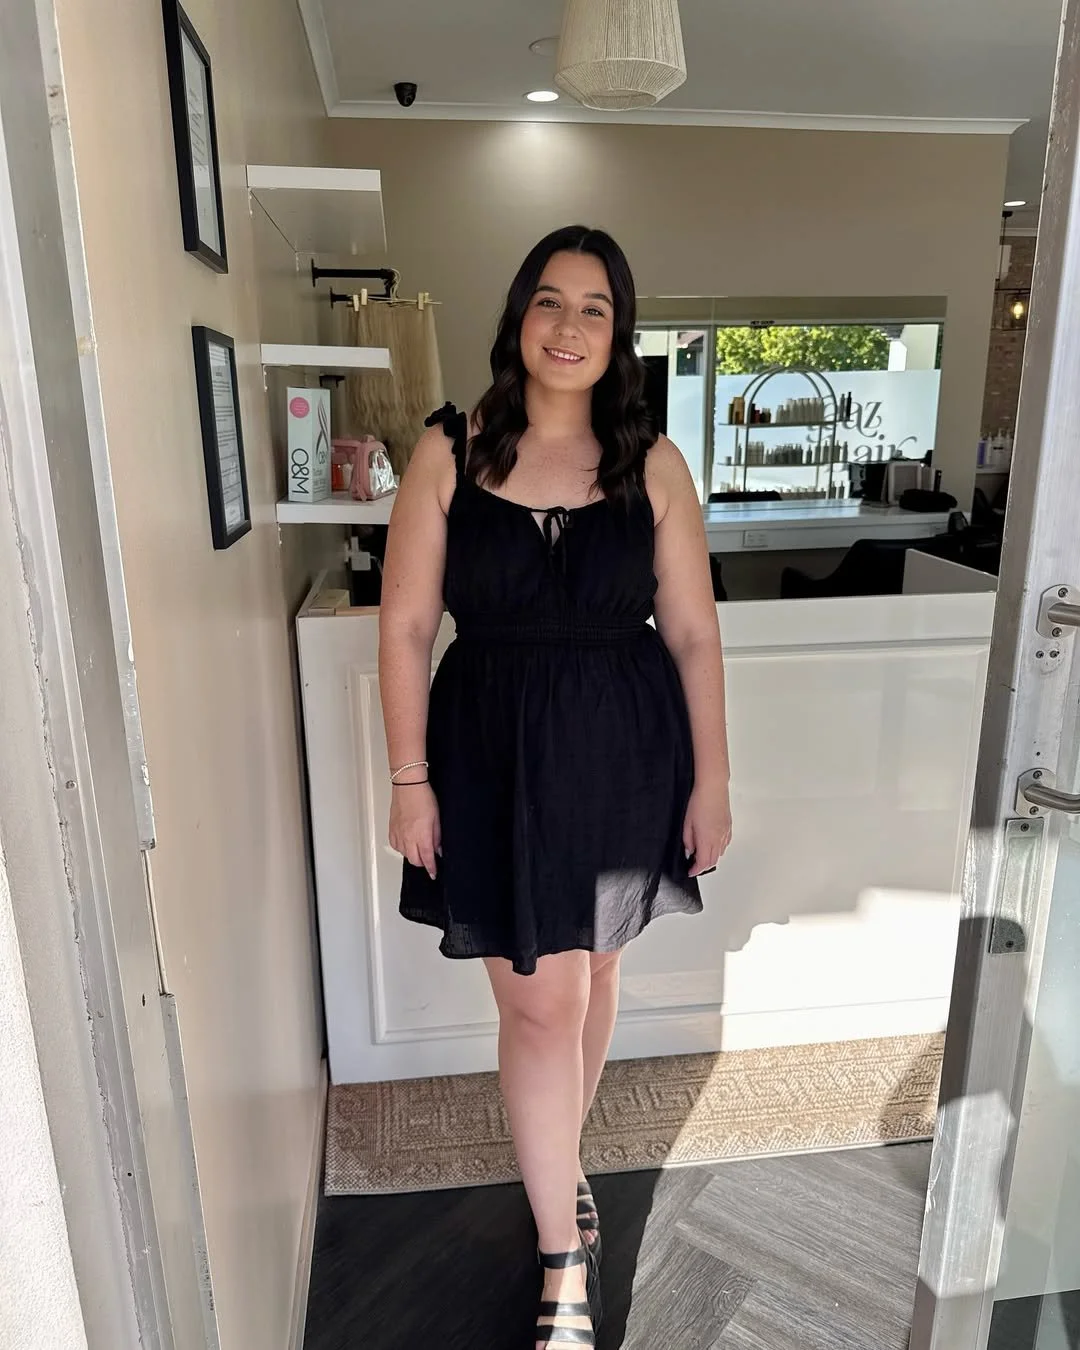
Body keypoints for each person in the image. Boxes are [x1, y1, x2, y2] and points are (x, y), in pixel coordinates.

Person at [379, 225, 731, 1349]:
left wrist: (712, 778)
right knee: (540, 999)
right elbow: (402, 628)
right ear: (517, 319)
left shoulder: (653, 463)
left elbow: (693, 634)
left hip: (626, 757)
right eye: (549, 301)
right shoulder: (451, 448)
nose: (568, 325)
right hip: (487, 756)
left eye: (593, 307)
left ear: (618, 333)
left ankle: (560, 1175)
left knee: (594, 973)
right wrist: (408, 780)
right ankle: (561, 1250)